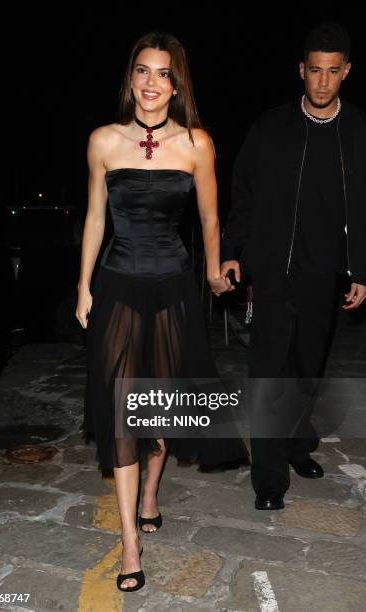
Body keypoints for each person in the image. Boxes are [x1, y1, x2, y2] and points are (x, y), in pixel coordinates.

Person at [76, 31, 248, 592]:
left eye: (164, 74)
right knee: (124, 411)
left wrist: (215, 270)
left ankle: (152, 489)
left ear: (178, 84)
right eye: (143, 72)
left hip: (174, 288)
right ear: (131, 78)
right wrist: (83, 286)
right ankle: (130, 541)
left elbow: (209, 221)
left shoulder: (198, 143)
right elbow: (96, 219)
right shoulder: (103, 140)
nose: (152, 84)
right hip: (119, 287)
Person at [221, 22, 366, 511]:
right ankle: (268, 478)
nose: (322, 82)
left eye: (332, 72)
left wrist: (360, 268)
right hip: (271, 272)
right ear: (300, 71)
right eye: (314, 71)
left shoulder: (359, 130)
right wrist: (233, 249)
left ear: (346, 71)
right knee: (267, 373)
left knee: (307, 371)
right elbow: (242, 192)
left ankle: (297, 444)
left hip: (324, 276)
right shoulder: (271, 127)